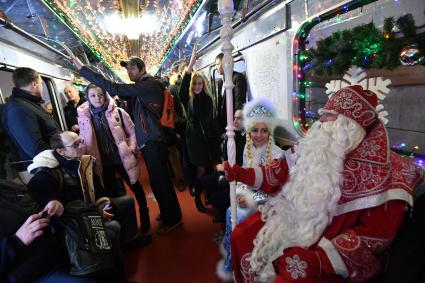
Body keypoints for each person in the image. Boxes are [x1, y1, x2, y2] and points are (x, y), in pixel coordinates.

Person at [225, 85, 424, 283]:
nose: (320, 120)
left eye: (329, 115)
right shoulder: (316, 147)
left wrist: (320, 259)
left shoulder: (386, 173)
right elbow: (275, 172)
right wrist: (241, 173)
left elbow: (373, 238)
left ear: (349, 125)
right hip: (293, 221)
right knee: (241, 235)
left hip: (329, 248)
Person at [71, 56, 182, 235]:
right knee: (158, 181)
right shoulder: (143, 88)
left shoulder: (148, 85)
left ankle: (173, 219)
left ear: (142, 69)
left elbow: (115, 88)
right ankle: (169, 212)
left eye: (131, 69)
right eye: (127, 69)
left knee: (161, 182)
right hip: (151, 140)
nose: (128, 72)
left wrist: (83, 69)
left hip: (154, 141)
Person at [26, 131, 151, 249]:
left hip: (92, 208)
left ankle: (128, 241)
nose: (81, 146)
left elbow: (99, 191)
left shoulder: (84, 161)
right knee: (113, 226)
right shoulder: (48, 171)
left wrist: (103, 206)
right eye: (75, 144)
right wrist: (52, 200)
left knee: (127, 201)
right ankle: (108, 257)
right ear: (61, 151)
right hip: (75, 220)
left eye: (81, 141)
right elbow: (38, 193)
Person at [216, 98, 288, 281]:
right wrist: (241, 194)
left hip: (269, 203)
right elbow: (243, 180)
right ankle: (234, 254)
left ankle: (237, 259)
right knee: (229, 211)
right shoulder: (247, 149)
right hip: (249, 198)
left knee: (235, 216)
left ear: (270, 132)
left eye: (264, 131)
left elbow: (276, 190)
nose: (259, 135)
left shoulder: (278, 154)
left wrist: (250, 199)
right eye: (255, 130)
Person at [77, 84, 150, 234]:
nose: (97, 98)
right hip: (102, 163)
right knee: (108, 195)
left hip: (122, 158)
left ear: (105, 95)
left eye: (100, 94)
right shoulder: (84, 118)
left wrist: (131, 148)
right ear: (87, 98)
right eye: (93, 95)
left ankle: (144, 214)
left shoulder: (119, 112)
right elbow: (84, 140)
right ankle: (120, 226)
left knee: (136, 186)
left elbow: (132, 132)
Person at [0, 179, 96, 283]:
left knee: (110, 236)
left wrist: (52, 202)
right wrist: (17, 240)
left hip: (59, 248)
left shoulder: (6, 185)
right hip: (33, 273)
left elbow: (35, 201)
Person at [179, 49, 220, 213]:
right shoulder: (188, 99)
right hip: (195, 140)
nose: (197, 86)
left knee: (210, 168)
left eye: (199, 83)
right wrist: (191, 64)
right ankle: (197, 198)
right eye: (194, 83)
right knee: (201, 169)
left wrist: (219, 133)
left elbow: (211, 120)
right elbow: (182, 88)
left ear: (204, 84)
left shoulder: (209, 100)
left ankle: (208, 194)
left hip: (209, 139)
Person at [2, 67, 60, 161]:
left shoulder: (29, 104)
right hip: (47, 166)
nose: (42, 86)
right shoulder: (18, 109)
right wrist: (63, 157)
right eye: (41, 83)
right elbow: (35, 148)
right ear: (34, 84)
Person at [203, 109, 246, 223]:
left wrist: (225, 167)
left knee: (216, 197)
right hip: (228, 170)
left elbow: (240, 164)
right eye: (234, 118)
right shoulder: (232, 136)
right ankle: (219, 205)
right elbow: (227, 158)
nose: (235, 121)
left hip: (237, 177)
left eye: (239, 118)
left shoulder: (245, 140)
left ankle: (223, 211)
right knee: (206, 180)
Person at [215, 53, 248, 134]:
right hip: (223, 125)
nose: (216, 67)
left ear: (225, 64)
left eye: (218, 64)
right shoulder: (219, 82)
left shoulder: (238, 77)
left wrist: (235, 123)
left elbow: (239, 102)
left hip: (233, 125)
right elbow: (220, 104)